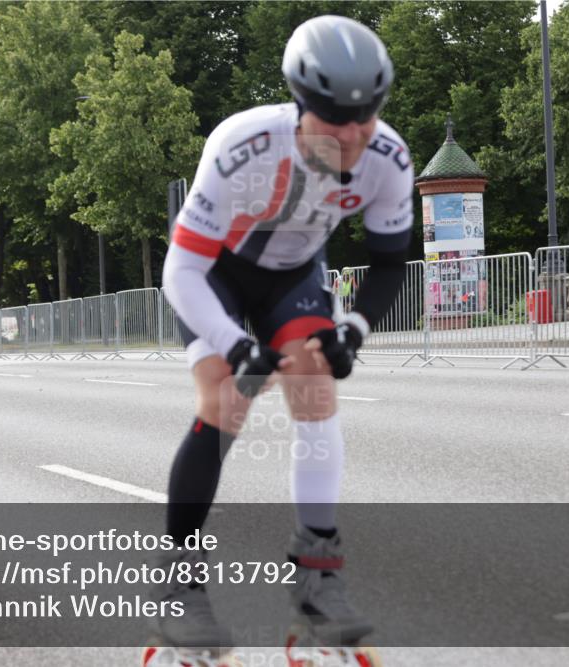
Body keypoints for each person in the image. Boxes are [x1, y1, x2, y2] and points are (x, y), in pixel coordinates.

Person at [147, 14, 413, 664]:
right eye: (332, 119)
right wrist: (235, 347)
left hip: (292, 278)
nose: (352, 135)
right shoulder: (242, 146)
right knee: (223, 401)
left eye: (366, 117)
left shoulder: (389, 159)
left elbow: (388, 263)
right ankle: (178, 587)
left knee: (316, 389)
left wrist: (353, 328)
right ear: (300, 108)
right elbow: (179, 269)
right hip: (217, 278)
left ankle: (318, 579)